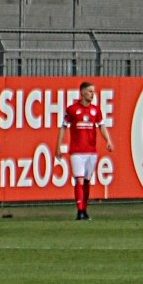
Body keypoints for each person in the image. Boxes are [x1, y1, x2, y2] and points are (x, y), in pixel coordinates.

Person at [58, 82, 109, 220]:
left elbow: (101, 127)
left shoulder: (96, 110)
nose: (93, 94)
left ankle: (84, 209)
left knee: (87, 181)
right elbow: (63, 127)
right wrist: (58, 145)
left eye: (93, 91)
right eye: (90, 91)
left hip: (91, 151)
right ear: (82, 92)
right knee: (79, 180)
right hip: (76, 152)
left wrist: (108, 141)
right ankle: (80, 211)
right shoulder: (72, 109)